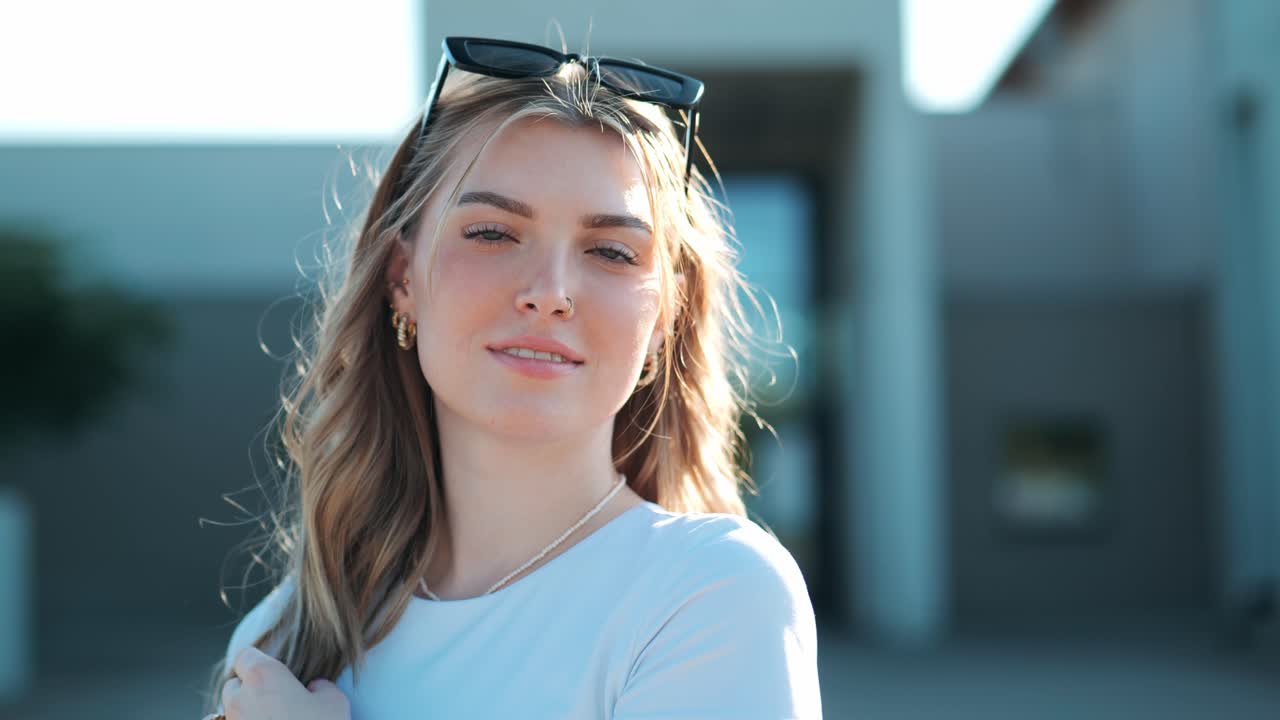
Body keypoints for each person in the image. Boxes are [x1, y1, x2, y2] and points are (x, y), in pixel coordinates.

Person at [203, 36, 821, 720]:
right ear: (403, 279)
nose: (550, 292)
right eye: (493, 234)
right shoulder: (287, 635)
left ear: (662, 319)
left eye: (611, 251)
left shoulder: (711, 596)